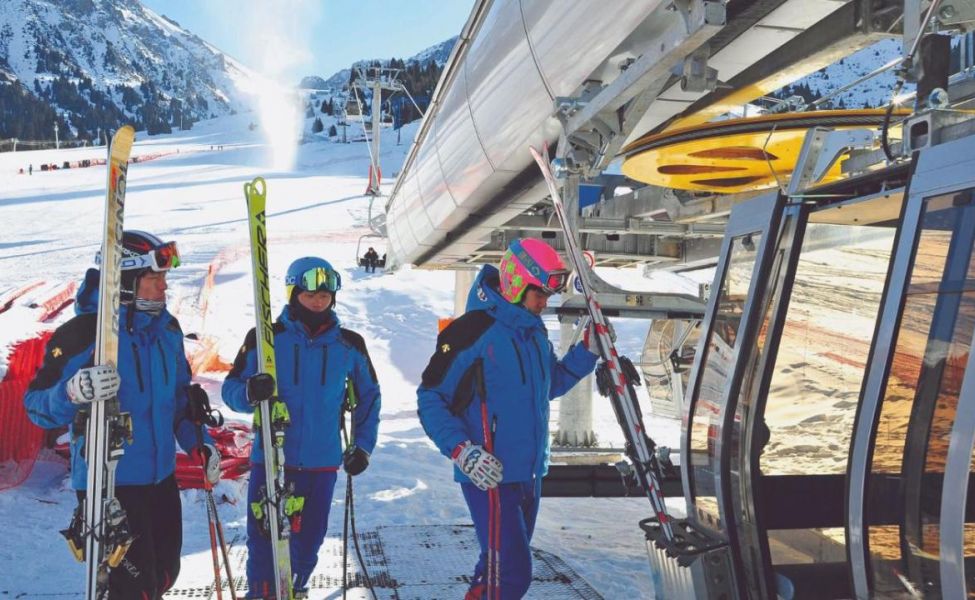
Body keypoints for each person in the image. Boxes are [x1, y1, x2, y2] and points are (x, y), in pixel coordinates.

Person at [24, 230, 219, 598]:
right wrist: (72, 392)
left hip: (160, 477)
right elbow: (36, 407)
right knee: (134, 588)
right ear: (126, 281)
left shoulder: (167, 330)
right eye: (154, 278)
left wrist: (201, 444)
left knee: (165, 574)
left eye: (164, 277)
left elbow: (179, 401)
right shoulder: (84, 334)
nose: (164, 287)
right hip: (110, 483)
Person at [417, 238, 599, 599]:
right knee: (512, 575)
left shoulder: (533, 332)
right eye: (540, 294)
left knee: (495, 569)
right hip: (488, 474)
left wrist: (586, 353)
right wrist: (462, 451)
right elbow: (430, 397)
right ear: (516, 283)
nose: (544, 303)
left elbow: (549, 384)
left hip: (528, 474)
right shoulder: (472, 331)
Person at [222, 256, 381, 599]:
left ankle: (294, 589)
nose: (318, 302)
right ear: (294, 294)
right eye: (310, 295)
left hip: (321, 463)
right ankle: (263, 595)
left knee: (308, 544)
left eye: (325, 295)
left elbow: (369, 396)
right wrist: (250, 391)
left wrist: (363, 446)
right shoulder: (266, 338)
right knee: (264, 544)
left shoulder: (349, 345)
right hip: (272, 460)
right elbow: (230, 388)